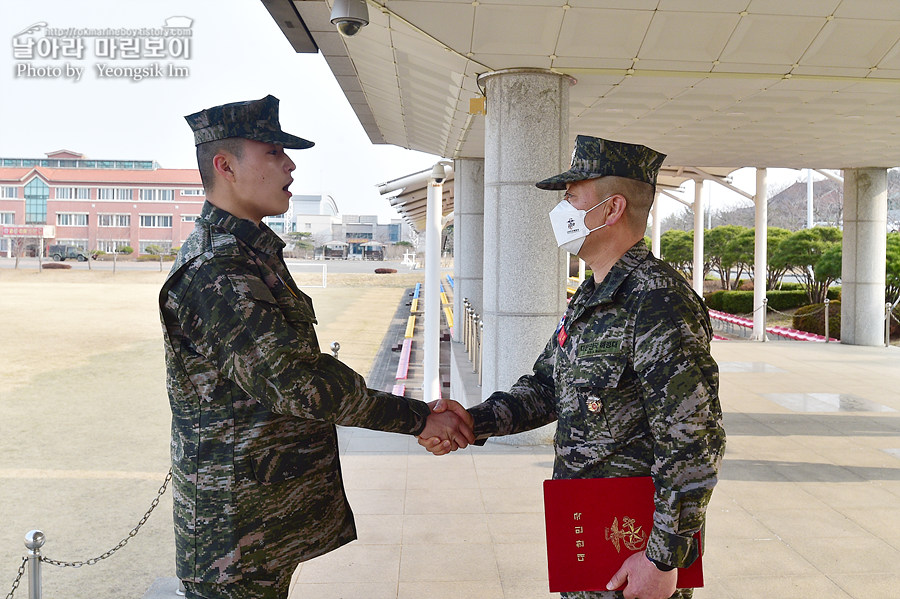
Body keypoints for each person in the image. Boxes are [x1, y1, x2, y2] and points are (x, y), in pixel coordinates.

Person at [159, 94, 473, 599]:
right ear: (225, 166)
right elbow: (300, 384)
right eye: (272, 152)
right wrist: (419, 418)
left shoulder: (249, 254)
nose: (289, 163)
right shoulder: (217, 271)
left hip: (262, 521)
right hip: (234, 539)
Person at [422, 135, 726, 599]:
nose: (560, 210)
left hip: (634, 550)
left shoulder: (657, 301)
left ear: (611, 208)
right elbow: (547, 386)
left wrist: (663, 558)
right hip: (590, 535)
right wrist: (472, 421)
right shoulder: (592, 293)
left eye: (571, 197)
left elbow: (694, 439)